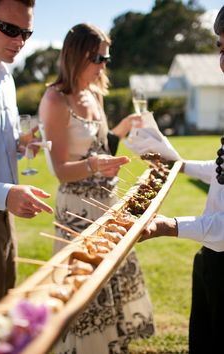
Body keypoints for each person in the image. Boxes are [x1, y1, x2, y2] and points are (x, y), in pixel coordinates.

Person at [39, 23, 155, 354]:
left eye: (107, 57)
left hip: (109, 203)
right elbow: (62, 171)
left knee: (111, 285)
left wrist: (122, 128)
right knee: (83, 293)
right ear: (75, 55)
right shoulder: (55, 99)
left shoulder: (95, 92)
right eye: (97, 57)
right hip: (77, 211)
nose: (103, 64)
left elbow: (102, 146)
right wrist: (93, 165)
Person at [139, 6, 224, 354]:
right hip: (212, 259)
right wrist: (181, 165)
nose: (222, 61)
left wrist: (169, 226)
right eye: (220, 47)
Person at [0, 0, 53, 304]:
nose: (19, 42)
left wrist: (21, 143)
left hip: (3, 216)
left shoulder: (7, 78)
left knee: (3, 305)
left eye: (26, 33)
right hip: (0, 204)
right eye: (10, 29)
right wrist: (6, 195)